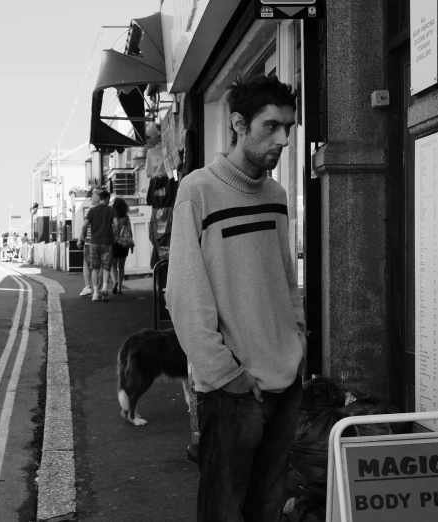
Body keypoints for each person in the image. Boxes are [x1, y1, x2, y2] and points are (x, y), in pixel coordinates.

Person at [166, 73, 306, 522]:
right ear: (239, 124)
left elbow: (285, 280)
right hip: (234, 391)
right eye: (272, 127)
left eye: (288, 127)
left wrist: (297, 341)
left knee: (267, 509)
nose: (283, 139)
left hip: (286, 382)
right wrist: (226, 375)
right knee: (224, 512)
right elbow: (184, 296)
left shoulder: (276, 195)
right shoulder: (198, 191)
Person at [80, 189, 118, 302]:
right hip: (107, 242)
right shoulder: (111, 210)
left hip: (94, 242)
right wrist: (117, 236)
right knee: (106, 267)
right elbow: (116, 224)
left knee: (95, 268)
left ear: (99, 198)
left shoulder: (92, 210)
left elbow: (84, 225)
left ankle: (95, 293)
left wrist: (83, 235)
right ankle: (105, 287)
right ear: (106, 198)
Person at [78, 187, 101, 297]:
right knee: (99, 266)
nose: (91, 197)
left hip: (89, 241)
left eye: (93, 195)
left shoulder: (90, 210)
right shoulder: (107, 209)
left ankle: (88, 287)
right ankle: (99, 288)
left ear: (97, 197)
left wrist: (80, 238)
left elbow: (85, 226)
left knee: (87, 264)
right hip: (102, 241)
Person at [110, 197, 134, 295]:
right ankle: (120, 288)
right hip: (124, 243)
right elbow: (129, 231)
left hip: (113, 243)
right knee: (122, 266)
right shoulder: (126, 217)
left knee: (113, 266)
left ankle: (114, 282)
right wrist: (131, 244)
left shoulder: (112, 216)